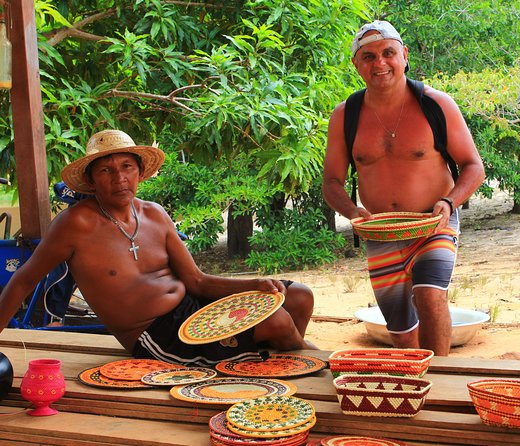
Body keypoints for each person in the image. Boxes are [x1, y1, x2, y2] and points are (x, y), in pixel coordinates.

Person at [0, 129, 317, 366]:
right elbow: (24, 280)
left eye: (127, 166)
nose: (119, 178)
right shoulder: (75, 224)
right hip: (155, 335)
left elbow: (198, 281)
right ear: (92, 180)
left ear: (140, 172)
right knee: (275, 323)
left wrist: (255, 284)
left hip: (194, 308)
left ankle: (273, 363)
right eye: (106, 170)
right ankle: (300, 362)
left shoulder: (153, 213)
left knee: (300, 296)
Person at [323, 21, 485, 356]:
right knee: (400, 330)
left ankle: (441, 381)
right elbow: (331, 182)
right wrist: (352, 211)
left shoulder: (436, 105)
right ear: (356, 65)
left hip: (433, 222)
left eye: (388, 53)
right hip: (380, 232)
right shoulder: (345, 116)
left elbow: (473, 167)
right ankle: (415, 385)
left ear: (404, 55)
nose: (379, 63)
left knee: (429, 294)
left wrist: (448, 203)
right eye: (368, 57)